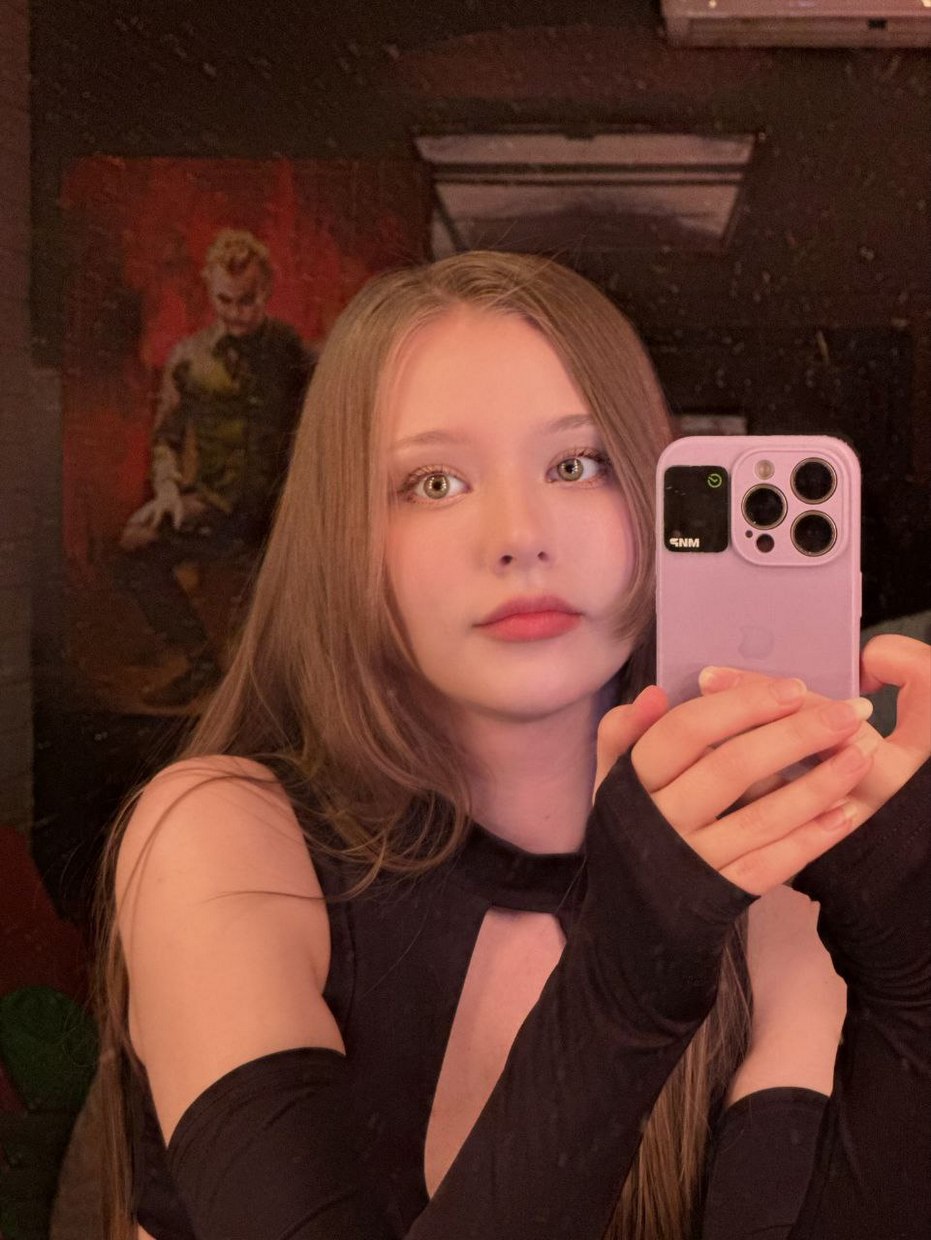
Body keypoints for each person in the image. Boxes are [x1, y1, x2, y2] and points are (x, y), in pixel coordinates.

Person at [96, 252, 930, 1240]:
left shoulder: (770, 884)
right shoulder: (221, 838)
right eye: (433, 481)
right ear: (343, 535)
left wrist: (912, 984)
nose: (519, 534)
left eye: (576, 465)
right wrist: (625, 983)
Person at [117, 229, 313, 707]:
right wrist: (167, 490)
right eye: (225, 300)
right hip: (214, 506)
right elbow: (166, 440)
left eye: (247, 300)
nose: (236, 312)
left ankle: (289, 687)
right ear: (210, 292)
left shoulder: (291, 352)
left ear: (266, 291)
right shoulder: (188, 358)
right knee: (136, 545)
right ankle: (201, 664)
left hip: (280, 513)